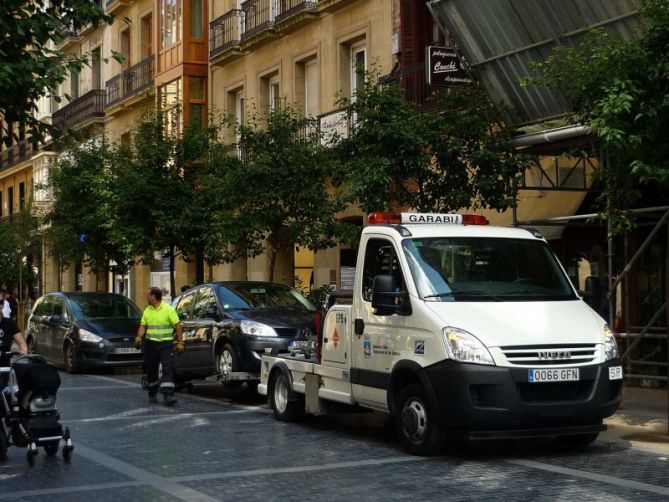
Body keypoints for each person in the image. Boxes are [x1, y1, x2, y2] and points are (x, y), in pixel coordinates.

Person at [135, 287, 184, 406]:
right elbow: (143, 325)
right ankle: (152, 392)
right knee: (151, 369)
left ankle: (168, 395)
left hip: (166, 344)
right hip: (151, 344)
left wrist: (180, 342)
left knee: (167, 368)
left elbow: (178, 325)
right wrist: (139, 337)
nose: (146, 297)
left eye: (148, 295)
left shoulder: (168, 309)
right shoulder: (147, 310)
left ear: (153, 296)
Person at [0, 298, 28, 367]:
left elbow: (22, 343)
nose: (0, 305)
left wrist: (23, 350)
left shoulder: (9, 323)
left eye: (1, 302)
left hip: (4, 367)